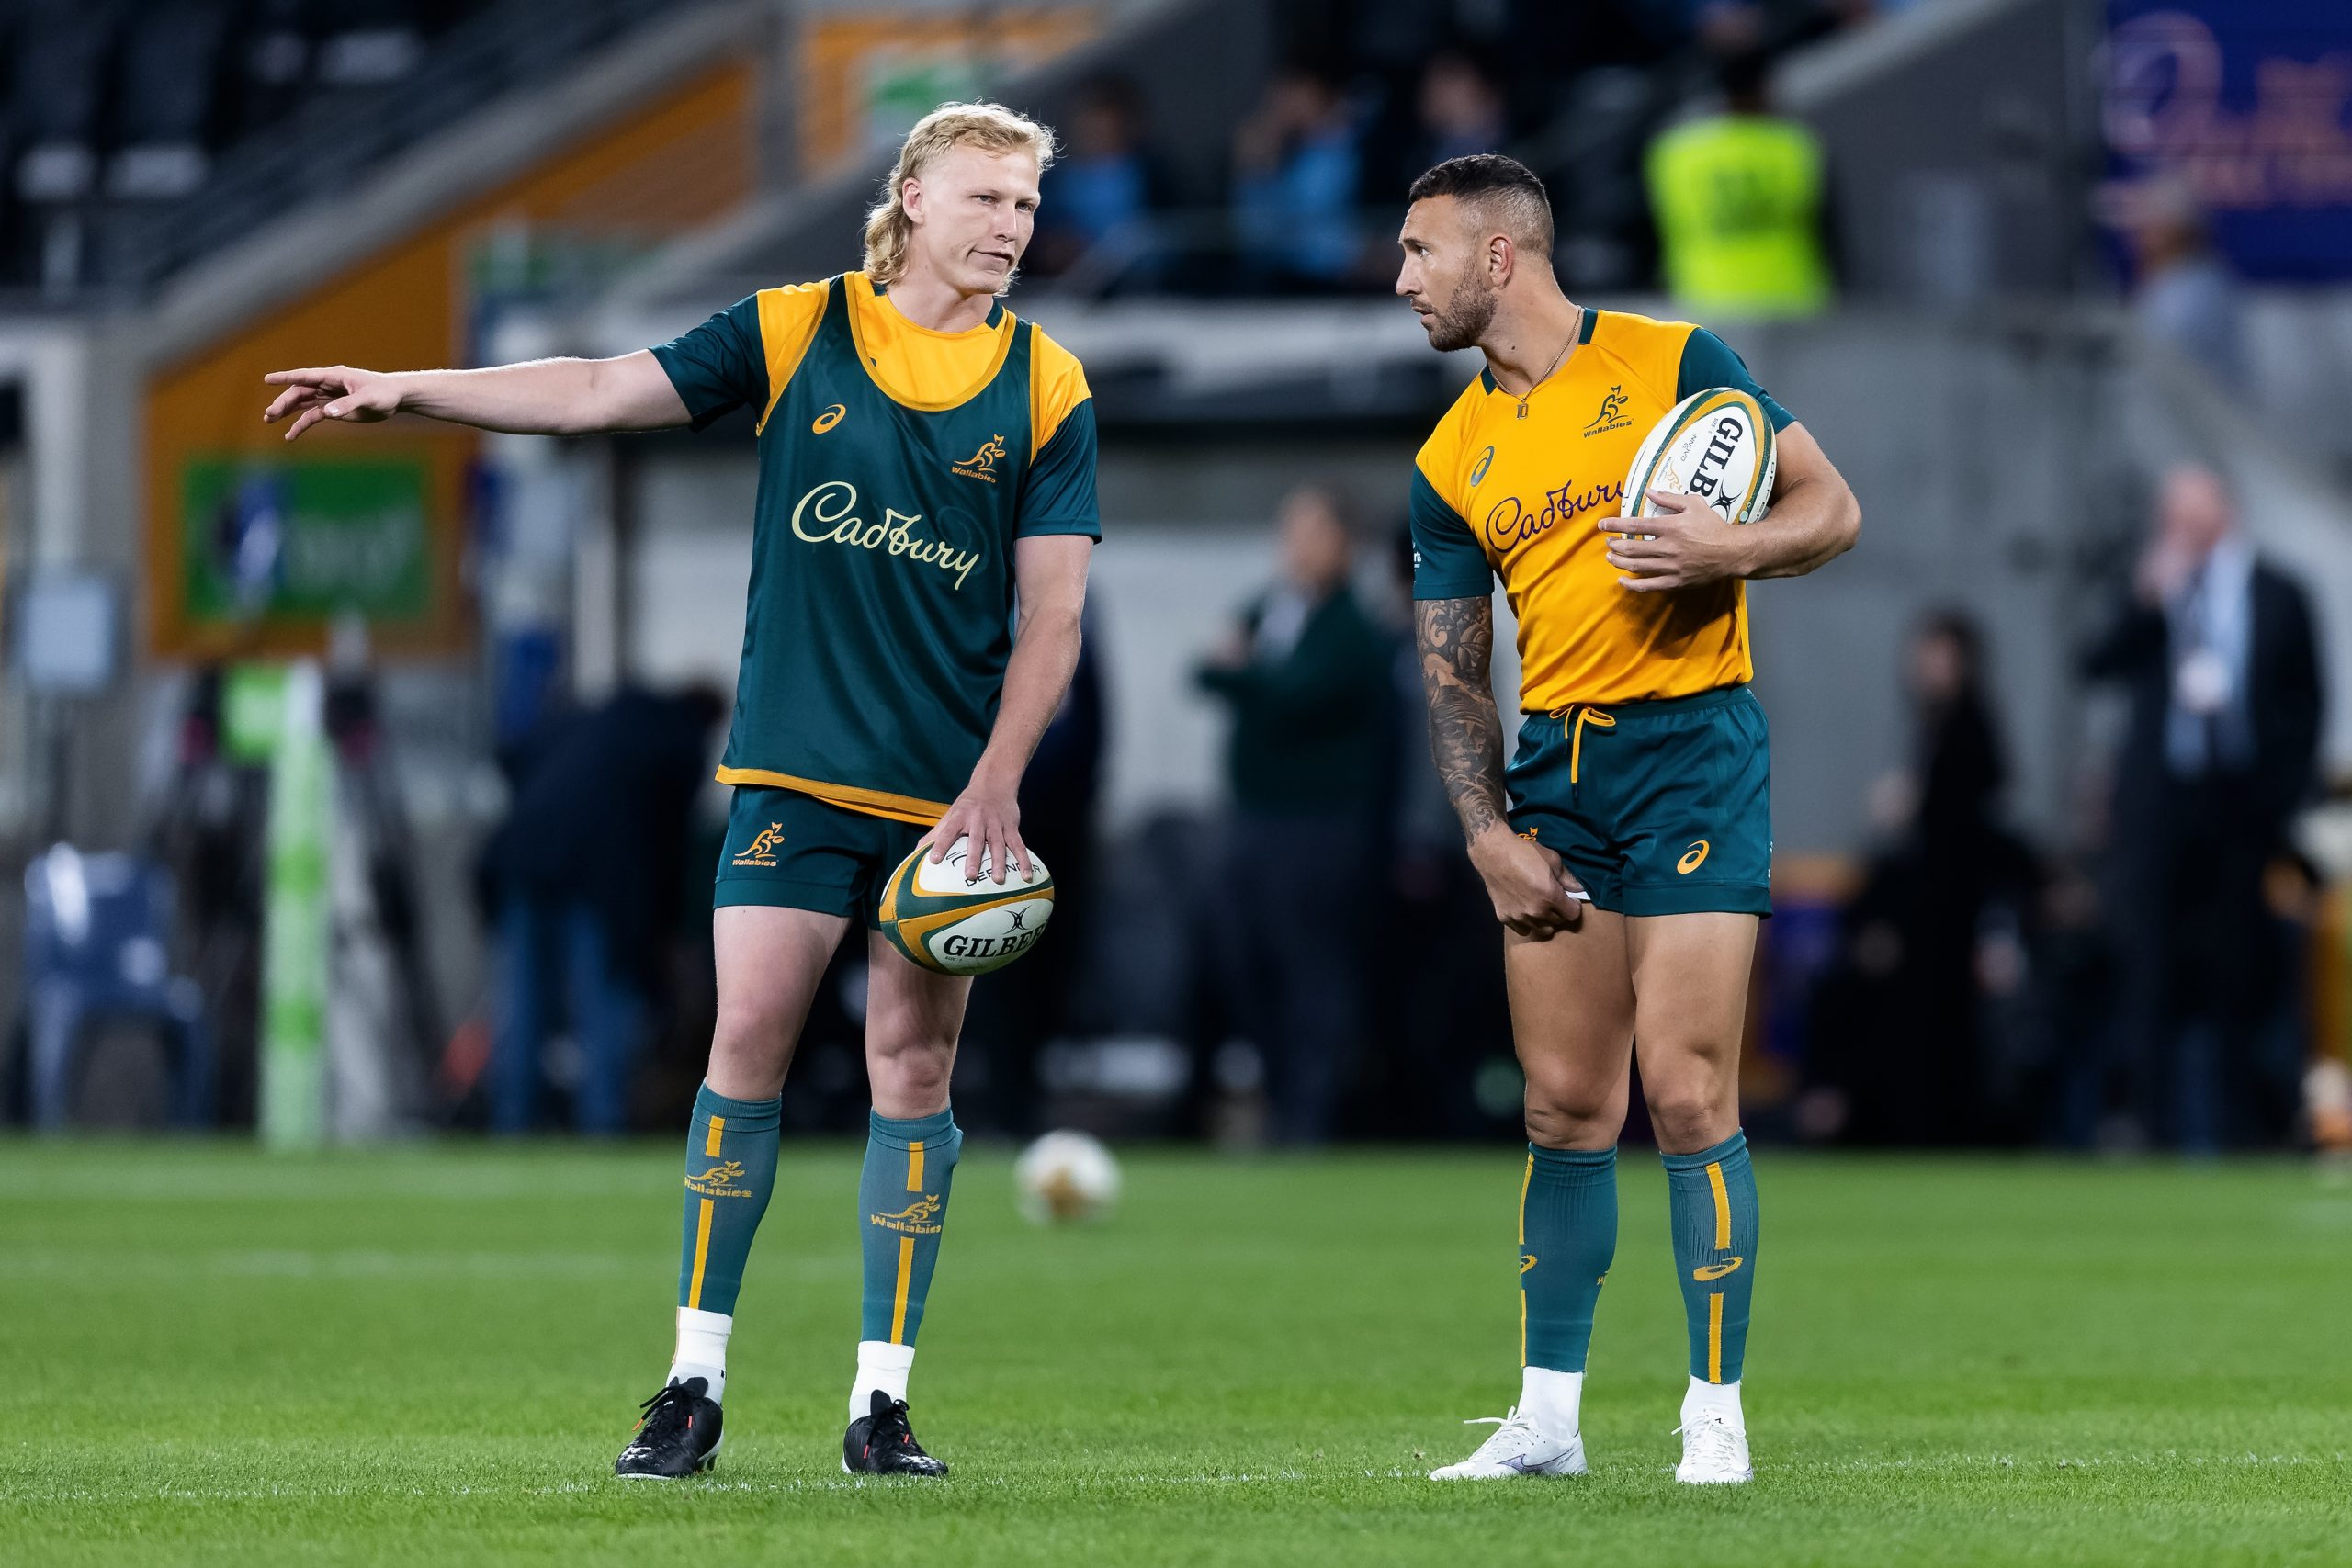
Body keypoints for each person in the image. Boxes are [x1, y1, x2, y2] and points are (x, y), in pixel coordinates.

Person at [261, 102, 1100, 1481]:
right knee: (747, 1041)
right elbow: (596, 389)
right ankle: (690, 1383)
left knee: (916, 1068)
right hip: (789, 775)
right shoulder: (799, 327)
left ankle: (880, 1403)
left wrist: (998, 784)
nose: (1010, 225)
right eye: (986, 197)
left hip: (947, 808)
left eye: (1024, 204)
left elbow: (1054, 617)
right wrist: (410, 385)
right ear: (913, 198)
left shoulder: (1050, 384)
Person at [1396, 154, 1860, 1484]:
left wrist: (1735, 549)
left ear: (1500, 257)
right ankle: (1547, 1418)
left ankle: (1714, 1411)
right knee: (1563, 1101)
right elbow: (1450, 665)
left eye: (1420, 252)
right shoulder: (1449, 453)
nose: (1400, 281)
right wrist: (1485, 829)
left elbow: (1832, 503)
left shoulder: (1674, 362)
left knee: (1692, 1087)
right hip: (1559, 773)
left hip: (1694, 749)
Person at [2082, 466, 2322, 1149]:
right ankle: (2153, 1124)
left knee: (2239, 968)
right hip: (2161, 807)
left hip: (2241, 806)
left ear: (2224, 511)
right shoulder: (2157, 589)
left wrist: (2282, 800)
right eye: (2171, 515)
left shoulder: (2279, 593)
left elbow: (2305, 704)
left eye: (2192, 513)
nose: (2179, 527)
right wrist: (2145, 599)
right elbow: (2095, 664)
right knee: (2150, 965)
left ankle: (2240, 1126)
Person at [1194, 486, 1394, 1143]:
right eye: (1290, 532)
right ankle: (1279, 1104)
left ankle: (1313, 1116)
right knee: (1251, 964)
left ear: (1343, 543)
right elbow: (1208, 672)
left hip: (1319, 826)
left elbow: (1297, 694)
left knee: (1314, 968)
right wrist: (1248, 676)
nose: (1296, 547)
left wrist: (1246, 676)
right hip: (1252, 819)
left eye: (1312, 532)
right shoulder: (1268, 609)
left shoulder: (1355, 628)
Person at [480, 683, 723, 1135]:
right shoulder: (679, 743)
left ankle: (512, 1124)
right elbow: (671, 849)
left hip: (523, 855)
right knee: (604, 994)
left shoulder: (592, 716)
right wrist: (666, 930)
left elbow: (511, 754)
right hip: (598, 876)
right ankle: (603, 1123)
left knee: (523, 999)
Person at [1644, 48, 1831, 319]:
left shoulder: (1675, 153)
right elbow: (1825, 225)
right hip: (1793, 296)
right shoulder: (1794, 145)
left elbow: (1657, 230)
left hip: (1706, 300)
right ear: (1764, 88)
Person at [1233, 66, 1365, 290]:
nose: (1280, 106)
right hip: (1280, 271)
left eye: (1288, 95)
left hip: (1328, 277)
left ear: (1313, 94)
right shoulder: (1287, 148)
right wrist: (1257, 168)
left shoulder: (1339, 146)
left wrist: (1263, 168)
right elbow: (1252, 229)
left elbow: (1304, 212)